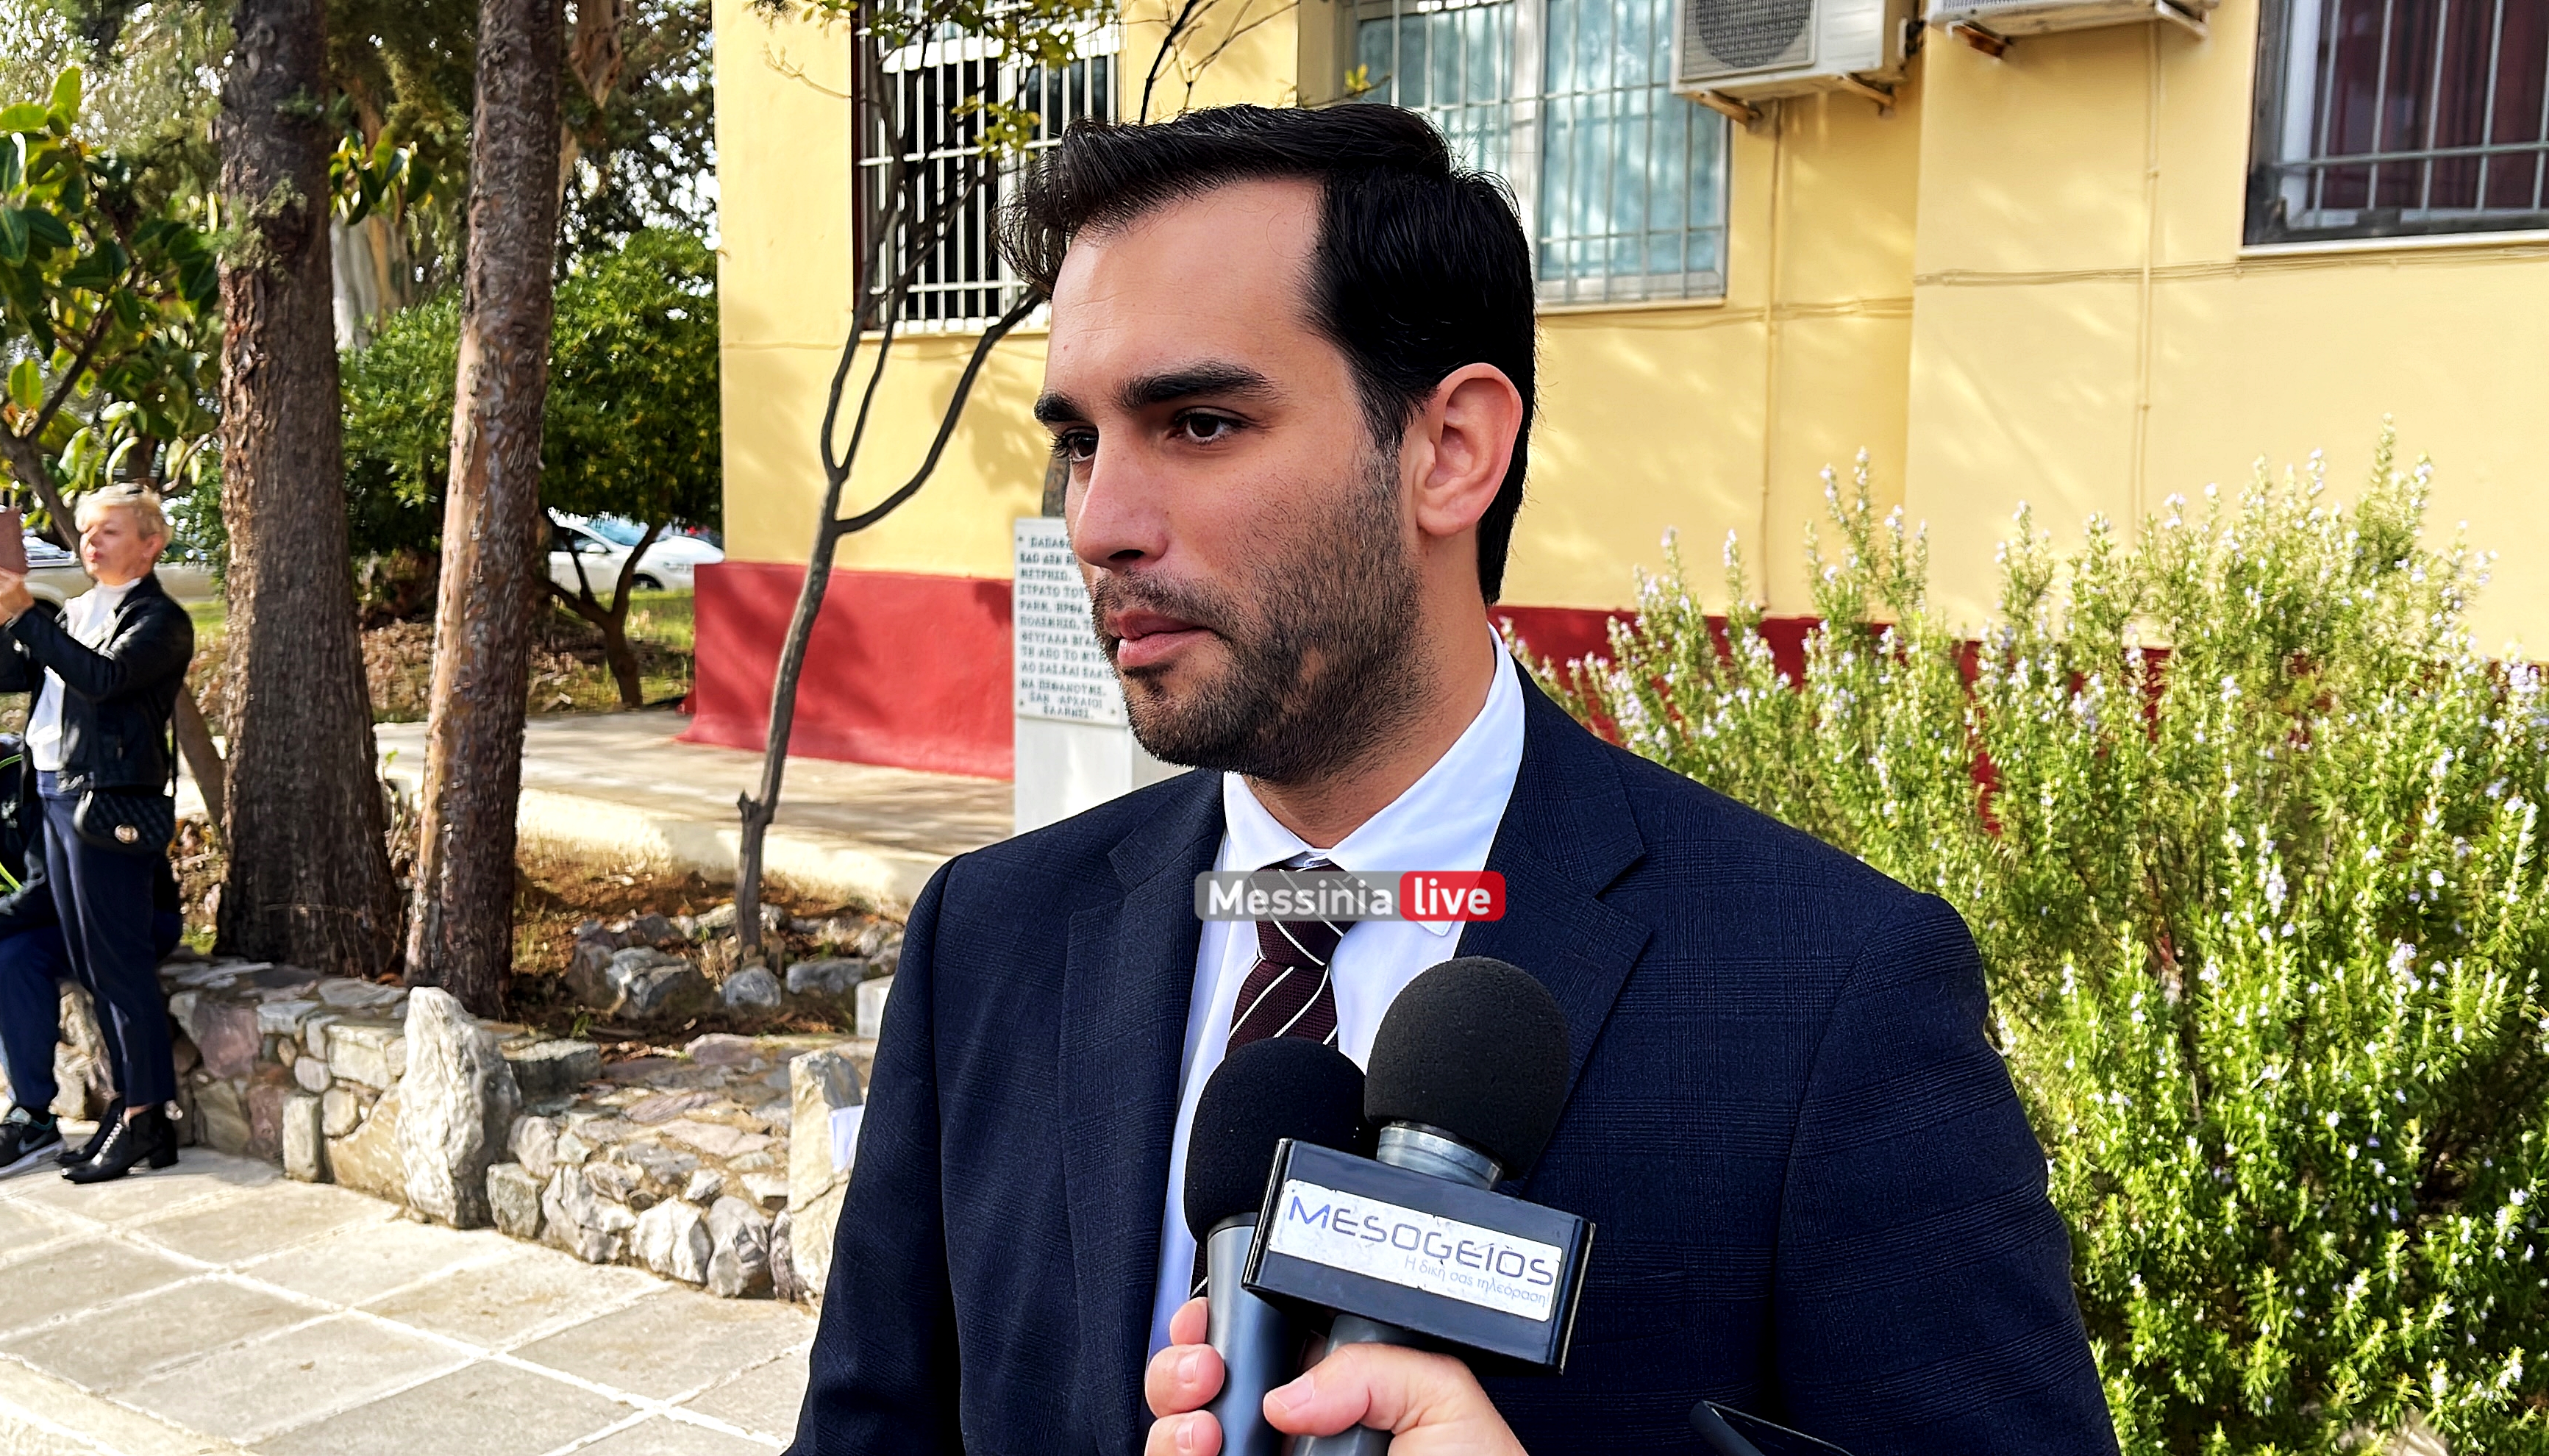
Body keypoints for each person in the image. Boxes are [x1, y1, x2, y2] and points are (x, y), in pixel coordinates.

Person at [790, 105, 2119, 1455]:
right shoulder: (990, 940)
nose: (1099, 523)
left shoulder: (1829, 993)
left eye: (1198, 422)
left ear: (1451, 451)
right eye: (1080, 442)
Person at [0, 484, 193, 1185]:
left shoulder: (159, 619)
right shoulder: (75, 611)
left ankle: (145, 1115)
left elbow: (103, 679)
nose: (90, 543)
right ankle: (134, 1113)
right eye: (87, 531)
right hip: (54, 791)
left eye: (110, 532)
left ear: (150, 545)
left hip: (106, 805)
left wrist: (29, 616)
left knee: (118, 966)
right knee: (97, 969)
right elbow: (7, 677)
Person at [0, 732, 184, 1180]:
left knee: (15, 958)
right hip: (43, 924)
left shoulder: (31, 776)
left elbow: (45, 891)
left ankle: (32, 1118)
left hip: (121, 919)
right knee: (8, 949)